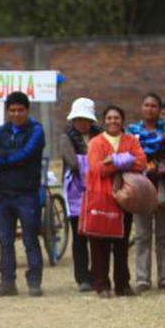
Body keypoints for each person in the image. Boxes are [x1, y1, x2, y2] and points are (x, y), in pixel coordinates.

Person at [79, 105, 147, 298]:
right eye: (109, 118)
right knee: (99, 244)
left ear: (122, 120)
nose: (113, 121)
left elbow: (141, 161)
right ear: (104, 121)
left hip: (125, 198)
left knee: (122, 244)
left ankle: (122, 285)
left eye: (116, 118)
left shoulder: (131, 140)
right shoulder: (95, 142)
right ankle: (101, 285)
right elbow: (97, 168)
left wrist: (113, 160)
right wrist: (123, 161)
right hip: (101, 196)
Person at [0, 91, 46, 297]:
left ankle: (34, 282)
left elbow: (27, 154)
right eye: (12, 110)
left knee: (30, 238)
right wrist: (10, 159)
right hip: (3, 193)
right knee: (5, 240)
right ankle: (7, 282)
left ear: (27, 110)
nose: (16, 114)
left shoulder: (37, 130)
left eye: (20, 110)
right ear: (8, 111)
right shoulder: (1, 131)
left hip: (27, 193)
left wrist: (5, 159)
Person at [127, 92, 165, 293]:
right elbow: (130, 156)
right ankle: (142, 279)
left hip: (164, 185)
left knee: (164, 235)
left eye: (154, 106)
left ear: (160, 109)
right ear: (141, 107)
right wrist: (146, 164)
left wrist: (161, 165)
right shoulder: (132, 131)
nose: (150, 109)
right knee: (142, 235)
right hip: (140, 186)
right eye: (146, 105)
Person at [60, 97, 100, 292]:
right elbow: (73, 164)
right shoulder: (66, 137)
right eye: (78, 119)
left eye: (85, 119)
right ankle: (82, 277)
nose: (82, 123)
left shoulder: (100, 136)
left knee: (98, 236)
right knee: (79, 236)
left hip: (99, 191)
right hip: (76, 191)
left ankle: (98, 273)